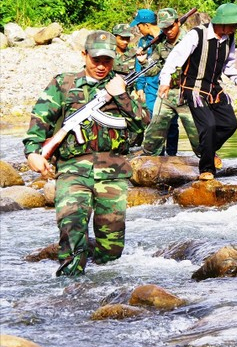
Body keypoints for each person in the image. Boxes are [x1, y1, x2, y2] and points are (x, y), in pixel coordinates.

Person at [23, 31, 149, 276]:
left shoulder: (122, 86)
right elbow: (40, 118)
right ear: (84, 55)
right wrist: (33, 152)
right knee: (71, 225)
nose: (101, 66)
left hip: (113, 171)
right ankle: (70, 286)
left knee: (111, 240)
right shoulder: (63, 83)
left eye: (107, 61)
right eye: (96, 60)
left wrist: (121, 95)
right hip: (72, 170)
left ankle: (107, 289)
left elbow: (143, 123)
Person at [157, 3, 237, 180]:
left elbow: (228, 64)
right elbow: (174, 58)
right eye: (233, 25)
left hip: (214, 88)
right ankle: (206, 169)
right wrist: (165, 81)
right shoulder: (196, 35)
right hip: (194, 89)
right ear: (222, 22)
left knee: (230, 124)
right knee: (208, 126)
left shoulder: (229, 38)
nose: (235, 28)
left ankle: (206, 149)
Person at [140, 8, 201, 158]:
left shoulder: (191, 40)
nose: (168, 31)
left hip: (188, 92)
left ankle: (208, 161)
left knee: (197, 134)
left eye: (171, 27)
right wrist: (143, 62)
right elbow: (152, 71)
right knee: (154, 132)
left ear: (177, 23)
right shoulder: (160, 45)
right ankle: (148, 160)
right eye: (164, 28)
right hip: (167, 93)